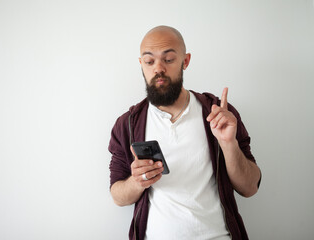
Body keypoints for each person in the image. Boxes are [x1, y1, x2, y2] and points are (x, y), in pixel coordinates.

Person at [108, 25, 261, 240]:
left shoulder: (218, 113)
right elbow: (118, 195)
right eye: (150, 61)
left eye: (168, 59)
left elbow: (250, 187)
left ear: (185, 61)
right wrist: (136, 182)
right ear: (141, 64)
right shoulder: (128, 124)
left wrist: (229, 144)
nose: (158, 68)